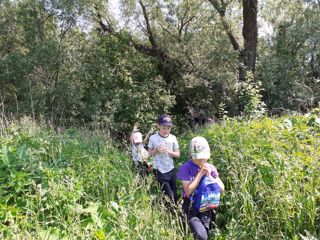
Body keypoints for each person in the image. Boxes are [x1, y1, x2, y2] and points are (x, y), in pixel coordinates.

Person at [177, 136, 225, 240]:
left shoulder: (210, 167)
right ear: (191, 154)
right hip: (191, 206)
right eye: (198, 157)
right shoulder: (186, 168)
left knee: (206, 233)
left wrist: (210, 176)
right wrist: (200, 173)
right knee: (201, 236)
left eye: (204, 157)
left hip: (207, 205)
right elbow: (188, 191)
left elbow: (221, 189)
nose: (201, 160)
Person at [148, 114, 180, 204]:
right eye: (163, 128)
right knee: (169, 195)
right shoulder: (153, 138)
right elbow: (149, 153)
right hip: (159, 170)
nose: (166, 130)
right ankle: (171, 212)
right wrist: (156, 150)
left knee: (174, 194)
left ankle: (176, 211)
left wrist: (170, 152)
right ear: (158, 126)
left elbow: (178, 155)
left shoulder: (173, 138)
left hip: (171, 169)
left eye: (168, 128)